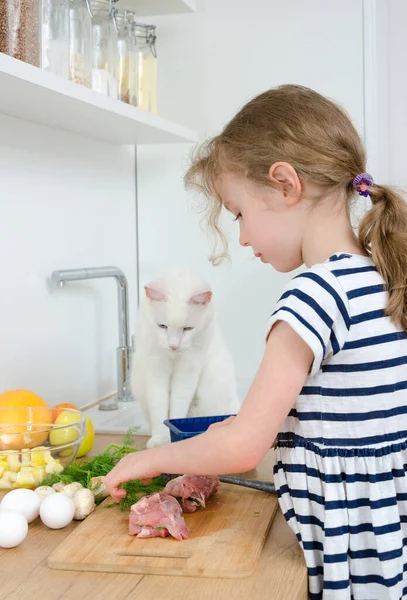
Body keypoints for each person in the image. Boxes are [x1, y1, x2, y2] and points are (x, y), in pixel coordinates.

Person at [104, 85, 407, 599]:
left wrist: (149, 460)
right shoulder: (380, 274)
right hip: (383, 548)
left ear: (285, 184)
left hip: (349, 566)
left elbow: (247, 443)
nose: (242, 238)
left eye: (239, 213)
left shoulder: (316, 293)